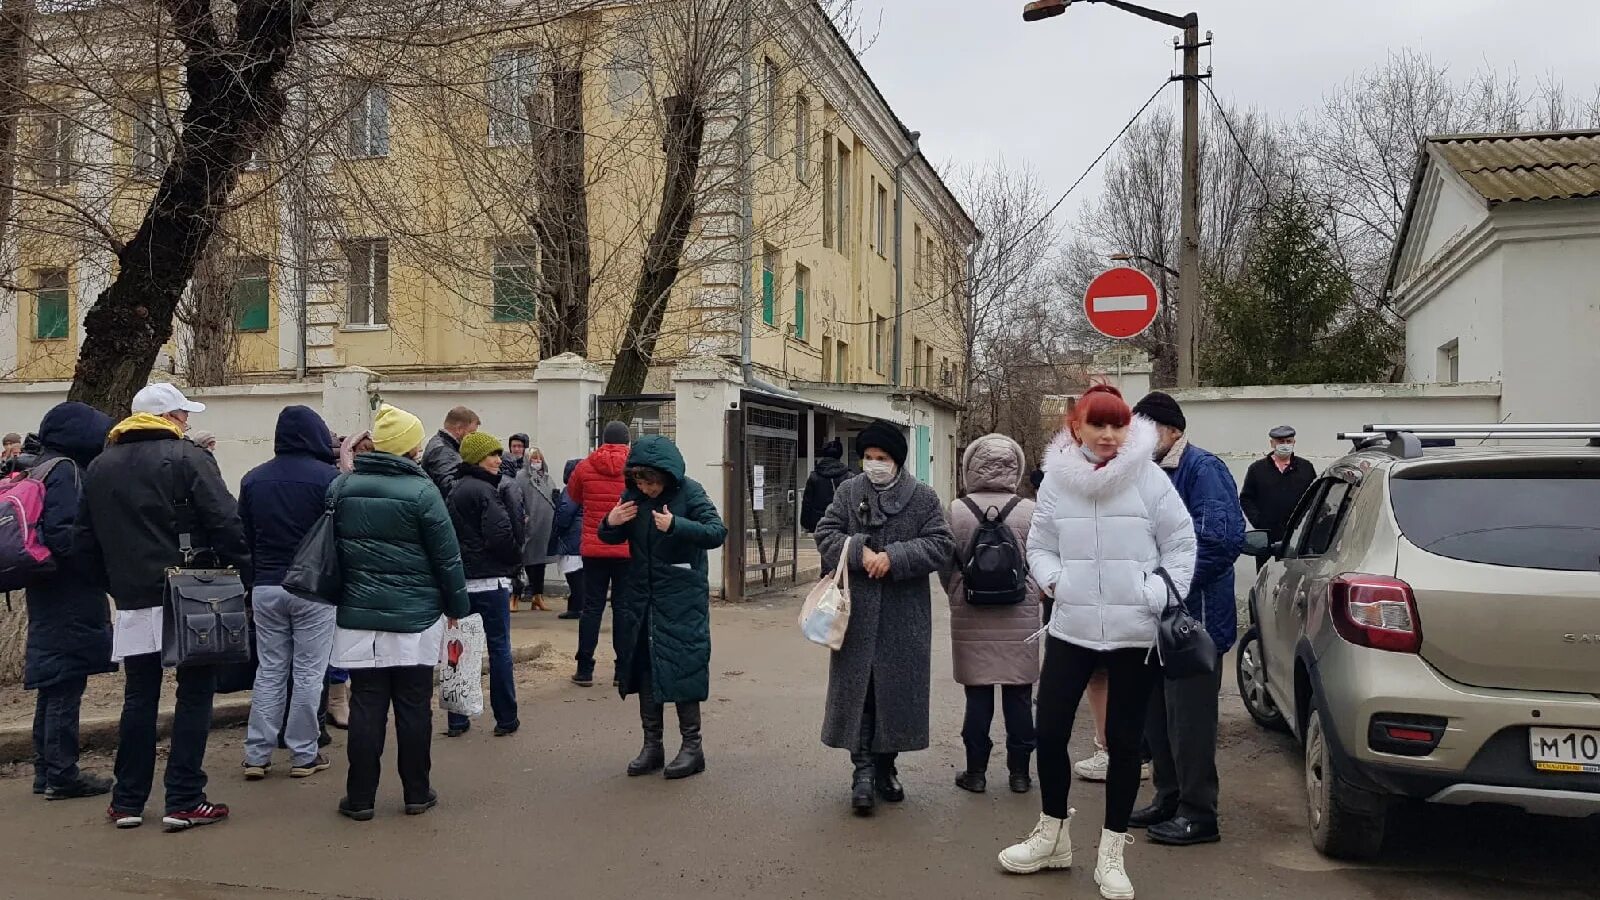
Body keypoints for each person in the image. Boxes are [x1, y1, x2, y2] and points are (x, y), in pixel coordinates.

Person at [997, 384, 1195, 900]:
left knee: (1126, 745)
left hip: (1135, 633)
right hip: (1071, 629)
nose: (1108, 435)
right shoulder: (1059, 483)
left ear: (1129, 428)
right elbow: (1038, 544)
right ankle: (1053, 835)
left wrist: (1153, 594)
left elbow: (1181, 544)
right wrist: (1055, 580)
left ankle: (1111, 852)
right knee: (1051, 730)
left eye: (1117, 425)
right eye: (1098, 424)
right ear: (1076, 427)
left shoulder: (1150, 478)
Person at [79, 383, 250, 832]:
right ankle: (185, 799)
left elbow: (84, 541)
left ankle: (127, 800)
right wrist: (243, 574)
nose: (188, 422)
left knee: (139, 696)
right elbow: (226, 522)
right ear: (171, 418)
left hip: (133, 598)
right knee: (194, 695)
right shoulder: (190, 458)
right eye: (184, 415)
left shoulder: (98, 466)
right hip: (192, 591)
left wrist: (115, 584)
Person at [330, 404, 470, 821]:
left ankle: (360, 798)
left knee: (366, 706)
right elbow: (448, 559)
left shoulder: (342, 488)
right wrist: (457, 608)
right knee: (413, 706)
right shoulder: (423, 492)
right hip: (415, 618)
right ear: (408, 447)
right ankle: (416, 792)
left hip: (359, 617)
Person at [814, 421, 954, 816]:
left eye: (882, 458)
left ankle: (886, 767)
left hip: (903, 616)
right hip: (855, 614)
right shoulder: (848, 491)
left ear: (897, 461)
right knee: (861, 693)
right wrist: (860, 552)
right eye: (869, 457)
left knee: (893, 693)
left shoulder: (923, 498)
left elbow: (942, 544)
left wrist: (895, 557)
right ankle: (860, 772)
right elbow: (825, 533)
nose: (874, 464)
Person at [1128, 392, 1244, 847]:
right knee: (1158, 718)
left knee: (1190, 723)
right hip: (1155, 622)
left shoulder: (1203, 469)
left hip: (1192, 625)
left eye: (1147, 428)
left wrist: (1164, 580)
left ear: (1173, 430)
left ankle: (1200, 812)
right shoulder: (1145, 472)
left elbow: (1219, 539)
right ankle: (1169, 795)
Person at [599, 436, 727, 780]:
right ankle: (652, 746)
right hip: (641, 598)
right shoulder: (633, 497)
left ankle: (692, 747)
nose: (646, 488)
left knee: (684, 665)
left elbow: (716, 532)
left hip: (681, 598)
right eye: (639, 480)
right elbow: (609, 538)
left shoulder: (690, 492)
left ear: (667, 477)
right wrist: (611, 521)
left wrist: (676, 526)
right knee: (645, 669)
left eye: (651, 481)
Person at [238, 406, 341, 782]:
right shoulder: (329, 479)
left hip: (266, 586)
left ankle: (256, 754)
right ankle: (303, 753)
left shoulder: (253, 479)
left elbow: (244, 537)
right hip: (313, 588)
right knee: (309, 672)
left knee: (270, 671)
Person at [939, 433, 1040, 796]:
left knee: (977, 697)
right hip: (1021, 614)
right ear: (1016, 466)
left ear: (971, 467)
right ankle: (1020, 775)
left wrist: (955, 593)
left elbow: (944, 563)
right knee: (1018, 696)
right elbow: (1042, 562)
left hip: (971, 611)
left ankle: (976, 773)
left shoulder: (957, 510)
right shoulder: (1029, 510)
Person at [26, 401, 116, 801]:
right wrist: (98, 564)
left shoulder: (41, 465)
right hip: (70, 592)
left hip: (47, 589)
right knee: (65, 681)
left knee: (53, 683)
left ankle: (46, 771)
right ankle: (63, 774)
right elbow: (66, 536)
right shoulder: (66, 472)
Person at [443, 431, 524, 738]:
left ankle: (457, 720)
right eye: (492, 454)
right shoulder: (486, 490)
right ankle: (506, 718)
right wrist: (514, 560)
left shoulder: (453, 490)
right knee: (499, 648)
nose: (498, 459)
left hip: (462, 582)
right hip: (491, 582)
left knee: (459, 649)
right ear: (477, 458)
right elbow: (500, 534)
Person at [567, 421, 632, 687]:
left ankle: (585, 668)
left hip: (594, 548)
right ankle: (623, 670)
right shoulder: (635, 467)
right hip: (627, 549)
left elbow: (574, 495)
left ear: (603, 440)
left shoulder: (585, 465)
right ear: (627, 441)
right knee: (623, 608)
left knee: (591, 608)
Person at [1239, 425, 1316, 568]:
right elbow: (1246, 498)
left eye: (1288, 441)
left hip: (1297, 536)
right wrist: (1259, 521)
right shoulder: (1257, 469)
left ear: (1294, 442)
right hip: (1268, 537)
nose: (1285, 445)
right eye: (1281, 442)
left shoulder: (1305, 467)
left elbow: (1314, 497)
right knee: (1265, 576)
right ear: (1272, 443)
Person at [515, 447, 556, 612]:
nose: (537, 462)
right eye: (533, 459)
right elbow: (516, 499)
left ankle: (538, 596)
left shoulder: (547, 477)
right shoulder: (521, 477)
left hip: (545, 525)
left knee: (540, 562)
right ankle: (516, 596)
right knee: (524, 561)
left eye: (539, 458)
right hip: (529, 525)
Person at [552, 459, 585, 620]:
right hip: (583, 535)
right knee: (580, 575)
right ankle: (577, 606)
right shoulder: (586, 488)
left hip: (572, 536)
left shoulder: (572, 489)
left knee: (574, 575)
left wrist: (558, 528)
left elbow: (565, 512)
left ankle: (577, 608)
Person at [421, 406, 479, 498]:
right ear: (459, 429)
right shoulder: (443, 450)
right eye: (472, 433)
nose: (473, 438)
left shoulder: (442, 445)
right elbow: (451, 487)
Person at [800, 438, 851, 533]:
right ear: (840, 454)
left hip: (818, 522)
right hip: (843, 521)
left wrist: (805, 523)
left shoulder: (814, 476)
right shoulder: (848, 476)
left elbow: (807, 502)